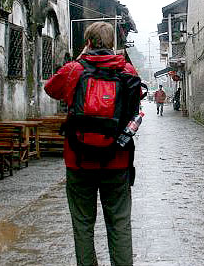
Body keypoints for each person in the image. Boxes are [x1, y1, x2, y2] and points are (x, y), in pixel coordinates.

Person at [44, 22, 141, 266]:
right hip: (117, 160)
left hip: (78, 161)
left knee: (83, 224)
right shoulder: (127, 71)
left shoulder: (74, 70)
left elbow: (50, 88)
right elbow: (135, 103)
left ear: (87, 42)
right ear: (112, 44)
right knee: (119, 223)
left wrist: (79, 59)